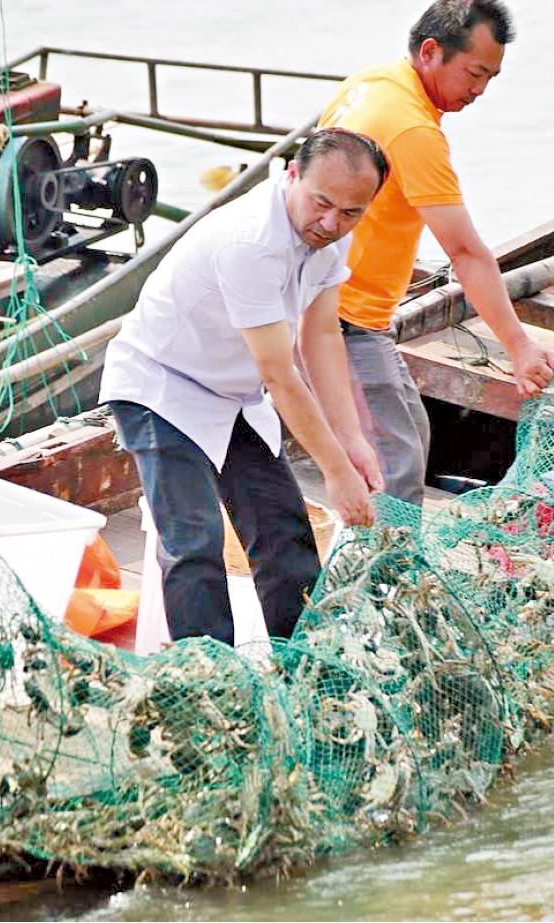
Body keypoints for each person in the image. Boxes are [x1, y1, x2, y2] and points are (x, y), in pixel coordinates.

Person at [99, 128, 388, 645]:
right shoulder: (251, 242)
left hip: (234, 392)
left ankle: (304, 666)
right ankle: (214, 684)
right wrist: (336, 472)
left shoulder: (331, 231)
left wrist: (351, 441)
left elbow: (321, 337)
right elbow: (282, 374)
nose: (331, 223)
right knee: (194, 540)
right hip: (163, 385)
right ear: (292, 174)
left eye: (351, 213)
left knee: (284, 532)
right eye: (322, 203)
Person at [319, 0, 554, 505]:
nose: (479, 90)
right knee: (393, 464)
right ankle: (373, 577)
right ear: (431, 51)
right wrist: (518, 347)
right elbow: (467, 253)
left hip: (347, 306)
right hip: (341, 315)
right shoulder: (412, 129)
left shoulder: (373, 82)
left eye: (491, 78)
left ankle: (377, 565)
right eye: (474, 73)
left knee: (412, 434)